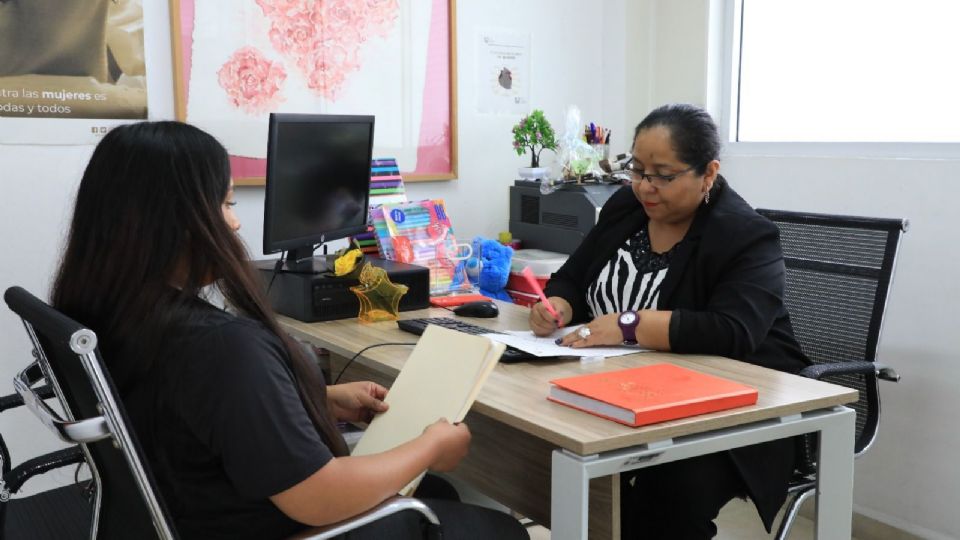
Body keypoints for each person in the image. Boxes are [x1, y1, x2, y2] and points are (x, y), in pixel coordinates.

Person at [51, 121, 529, 540]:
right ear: (174, 222)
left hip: (190, 509)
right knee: (497, 526)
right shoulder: (220, 347)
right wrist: (430, 446)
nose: (235, 222)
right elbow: (317, 498)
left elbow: (186, 411)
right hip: (278, 522)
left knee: (441, 491)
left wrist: (318, 397)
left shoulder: (111, 311)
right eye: (225, 204)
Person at [529, 103, 810, 539]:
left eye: (663, 175)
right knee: (544, 448)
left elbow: (733, 331)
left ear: (708, 173)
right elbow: (573, 275)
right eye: (637, 170)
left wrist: (628, 323)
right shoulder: (626, 207)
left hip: (734, 408)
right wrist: (559, 306)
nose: (645, 187)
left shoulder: (745, 234)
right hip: (624, 389)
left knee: (666, 489)